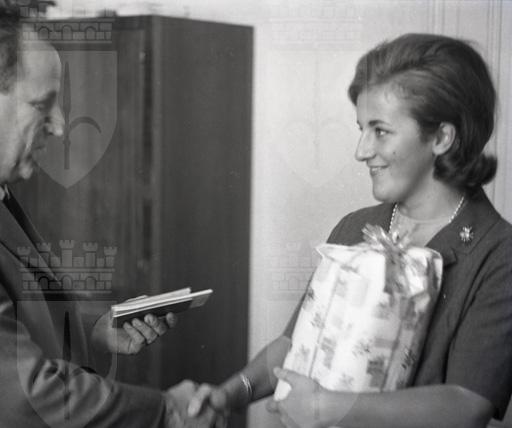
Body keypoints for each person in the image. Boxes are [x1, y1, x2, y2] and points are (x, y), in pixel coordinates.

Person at [0, 1, 216, 427]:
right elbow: (23, 394)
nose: (59, 124)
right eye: (42, 105)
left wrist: (96, 327)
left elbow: (0, 312)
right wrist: (166, 411)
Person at [187, 33, 512, 428]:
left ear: (442, 137)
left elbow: (467, 403)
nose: (361, 151)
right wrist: (230, 394)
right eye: (362, 128)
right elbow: (295, 342)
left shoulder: (500, 254)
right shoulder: (356, 226)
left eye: (380, 131)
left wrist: (328, 408)